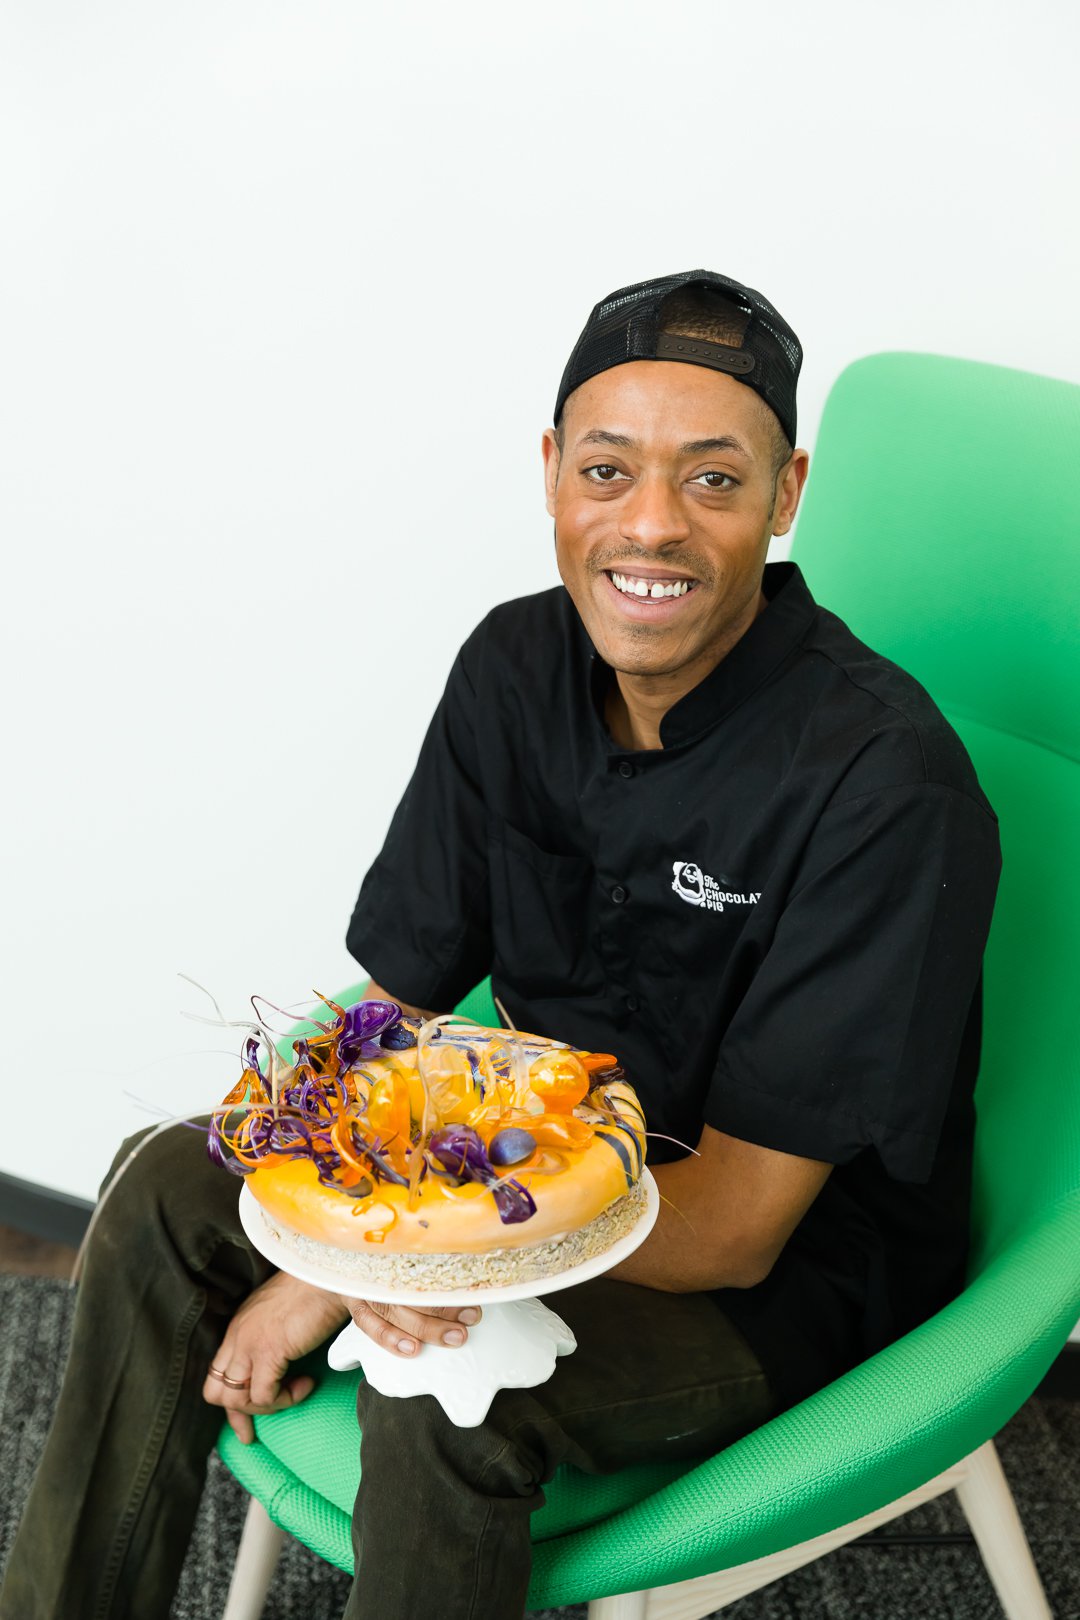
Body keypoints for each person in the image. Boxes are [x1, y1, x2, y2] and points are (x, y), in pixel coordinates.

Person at [0, 269, 1001, 1620]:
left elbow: (741, 1227)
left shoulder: (885, 784)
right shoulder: (512, 667)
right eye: (608, 469)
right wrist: (335, 1226)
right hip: (520, 1178)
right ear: (551, 475)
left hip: (774, 1268)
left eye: (713, 481)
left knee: (447, 1395)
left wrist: (364, 1273)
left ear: (787, 493)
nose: (650, 524)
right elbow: (393, 1005)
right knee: (172, 1183)